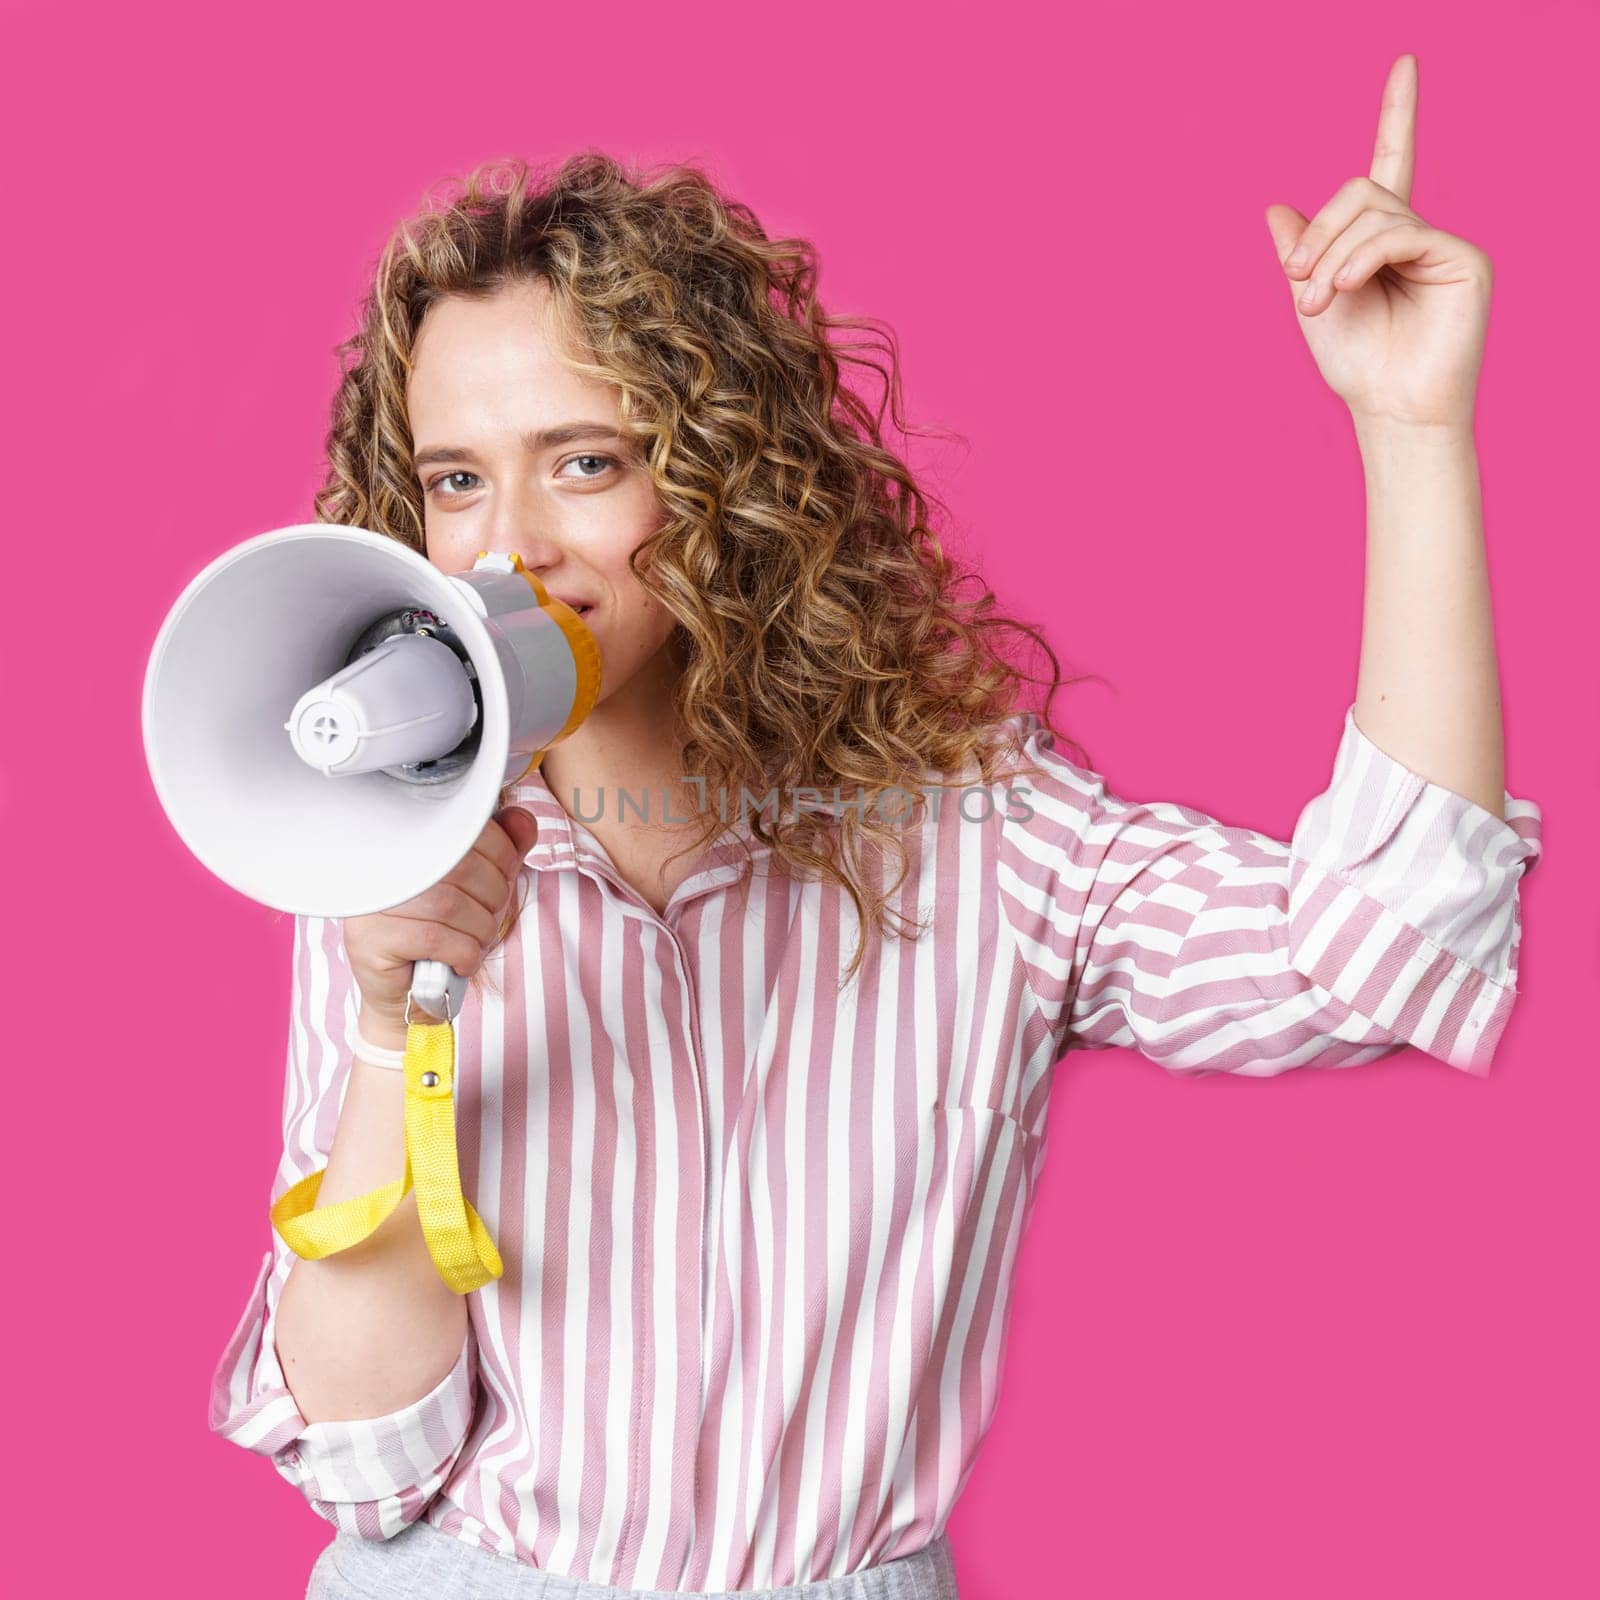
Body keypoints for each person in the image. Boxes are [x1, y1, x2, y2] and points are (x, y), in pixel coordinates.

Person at [207, 86, 1542, 1600]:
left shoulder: (979, 836)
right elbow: (369, 1456)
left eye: (586, 461)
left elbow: (1390, 952)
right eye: (458, 478)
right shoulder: (390, 868)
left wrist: (1415, 433)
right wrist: (395, 1030)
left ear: (727, 482)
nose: (510, 543)